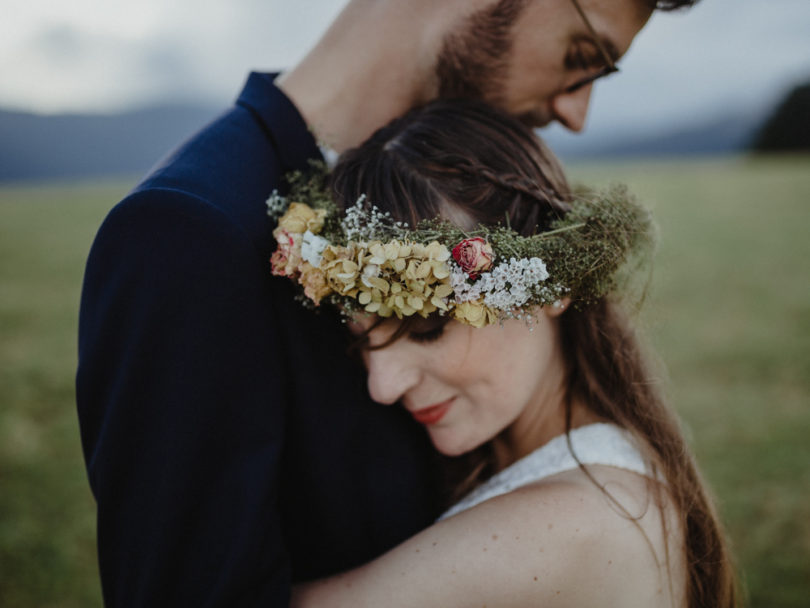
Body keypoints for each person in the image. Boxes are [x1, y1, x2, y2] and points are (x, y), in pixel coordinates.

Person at [76, 0, 701, 605]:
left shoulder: (450, 197)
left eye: (424, 325)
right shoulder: (188, 231)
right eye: (581, 54)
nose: (575, 112)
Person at [272, 99, 736, 607]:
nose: (382, 387)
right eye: (357, 338)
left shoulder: (576, 522)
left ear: (550, 284)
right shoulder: (571, 469)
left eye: (427, 327)